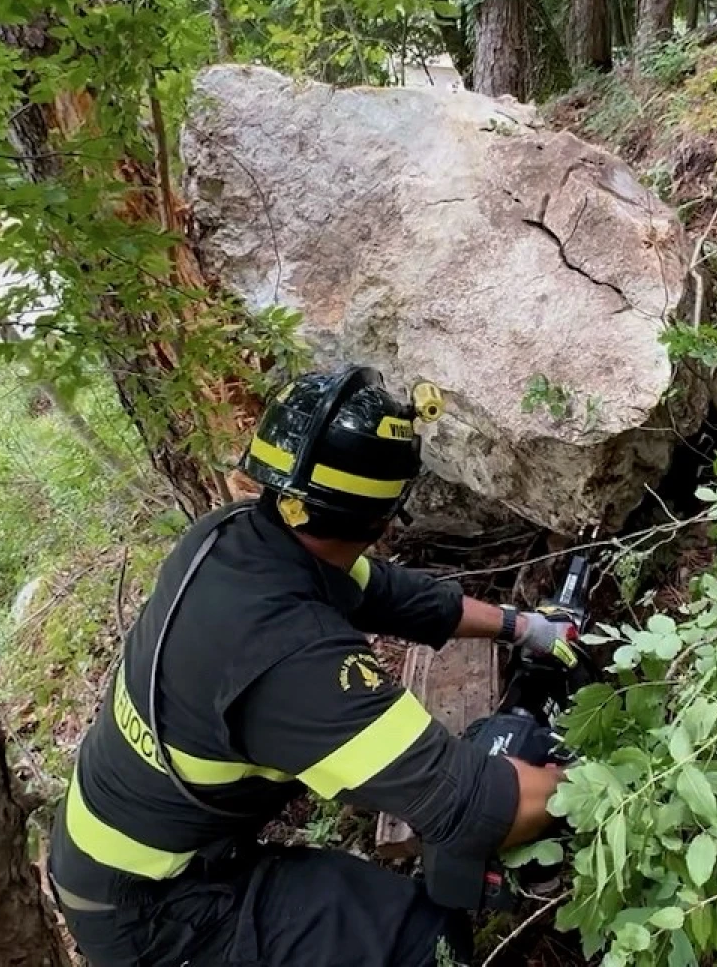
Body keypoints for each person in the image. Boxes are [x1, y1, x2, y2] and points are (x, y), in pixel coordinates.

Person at [46, 364, 576, 967]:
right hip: (155, 915)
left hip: (120, 859)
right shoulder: (293, 660)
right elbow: (477, 808)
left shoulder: (230, 536)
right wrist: (591, 779)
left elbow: (384, 591)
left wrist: (522, 627)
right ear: (383, 519)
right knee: (414, 940)